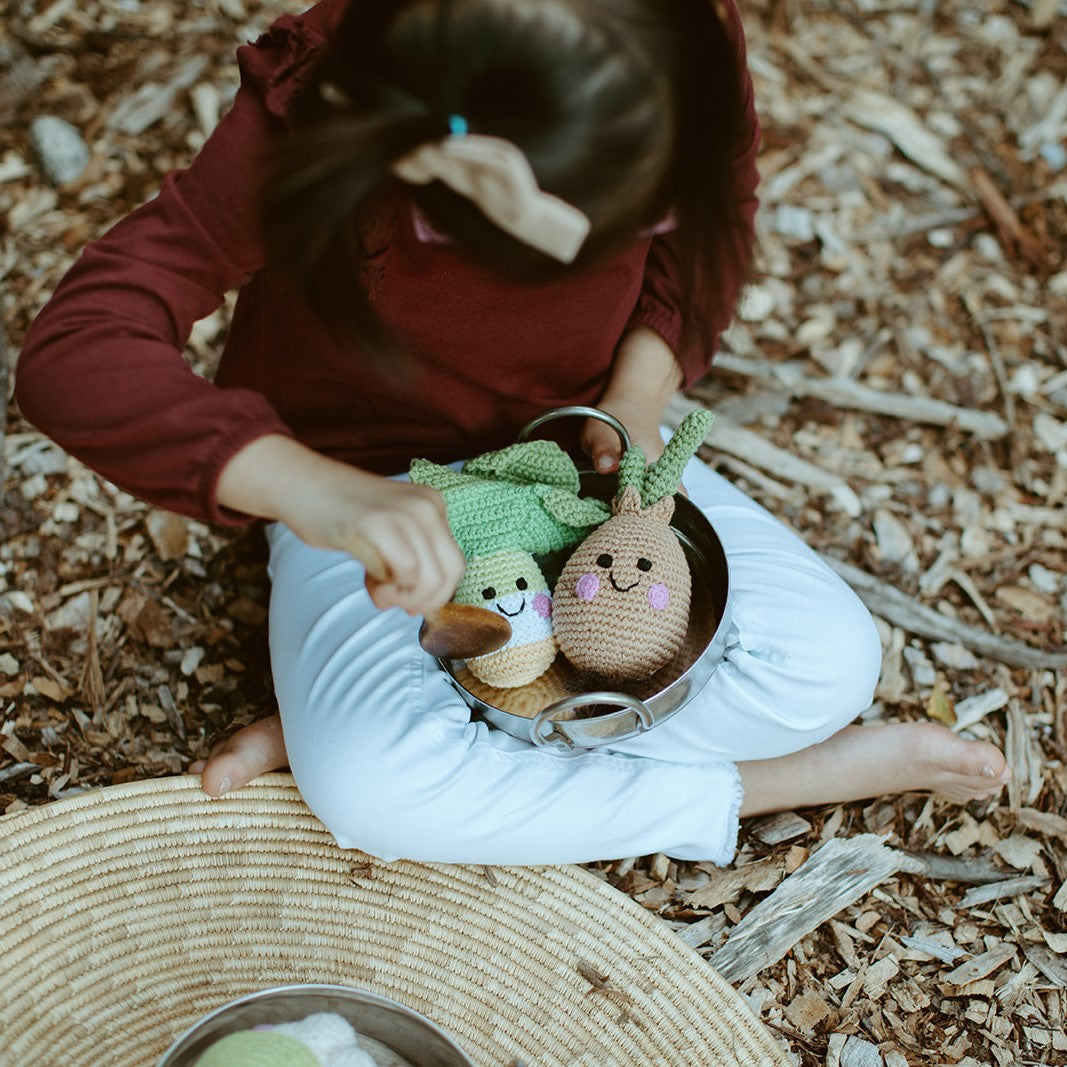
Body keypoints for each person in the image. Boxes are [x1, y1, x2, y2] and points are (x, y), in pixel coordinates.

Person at [16, 0, 1008, 866]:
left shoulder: (669, 42)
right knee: (370, 789)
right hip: (370, 493)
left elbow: (716, 227)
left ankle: (458, 702)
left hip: (571, 460)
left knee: (824, 662)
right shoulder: (328, 102)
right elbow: (77, 350)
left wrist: (637, 386)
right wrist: (314, 490)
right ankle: (760, 784)